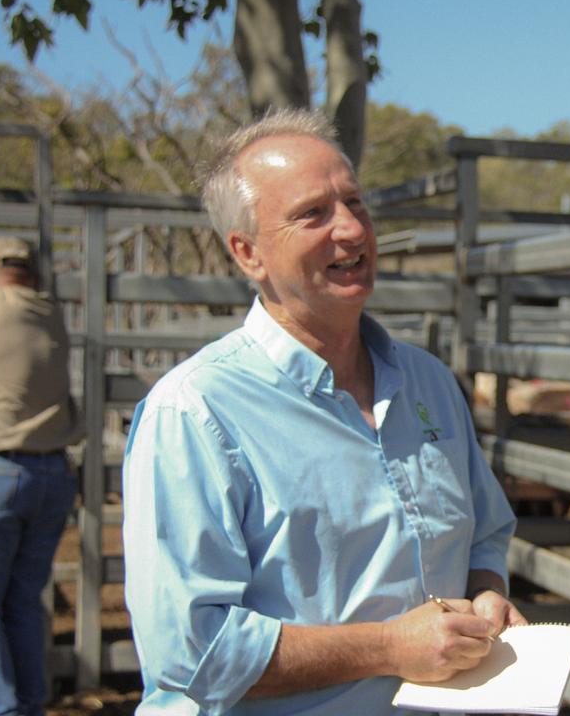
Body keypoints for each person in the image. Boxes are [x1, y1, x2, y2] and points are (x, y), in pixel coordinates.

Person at [122, 109, 522, 715]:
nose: (352, 230)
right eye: (313, 213)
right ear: (248, 253)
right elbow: (191, 648)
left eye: (355, 203)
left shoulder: (429, 384)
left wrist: (487, 592)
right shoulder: (195, 412)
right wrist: (390, 647)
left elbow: (485, 536)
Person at [0, 235, 83, 716]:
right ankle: (30, 703)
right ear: (34, 275)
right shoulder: (50, 313)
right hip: (51, 474)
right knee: (22, 600)